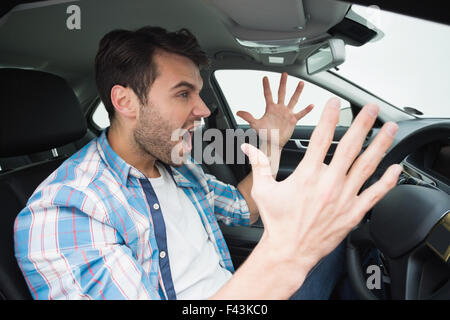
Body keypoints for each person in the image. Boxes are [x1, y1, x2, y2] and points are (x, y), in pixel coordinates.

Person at [14, 26, 401, 300]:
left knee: (347, 240)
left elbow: (242, 210)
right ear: (125, 102)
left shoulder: (177, 165)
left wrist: (271, 143)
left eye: (198, 93)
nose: (202, 110)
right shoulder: (64, 211)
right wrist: (287, 254)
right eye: (183, 94)